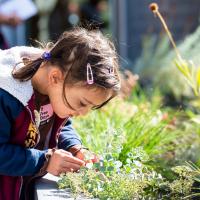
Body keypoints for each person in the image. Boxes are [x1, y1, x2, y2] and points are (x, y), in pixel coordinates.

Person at [0, 27, 121, 200]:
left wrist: (74, 147)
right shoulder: (6, 95)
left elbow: (61, 125)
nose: (83, 113)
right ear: (55, 77)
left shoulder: (54, 90)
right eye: (82, 103)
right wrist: (45, 161)